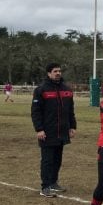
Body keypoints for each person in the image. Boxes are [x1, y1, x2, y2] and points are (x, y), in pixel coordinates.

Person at [31, 63, 76, 197]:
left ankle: (53, 182)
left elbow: (70, 111)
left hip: (62, 131)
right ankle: (45, 187)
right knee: (47, 160)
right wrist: (39, 129)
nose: (58, 73)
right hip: (48, 132)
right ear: (48, 73)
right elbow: (35, 112)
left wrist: (72, 126)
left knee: (57, 159)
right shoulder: (41, 90)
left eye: (59, 71)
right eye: (55, 71)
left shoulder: (66, 89)